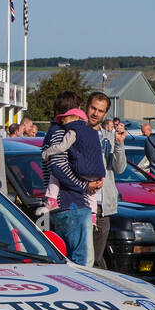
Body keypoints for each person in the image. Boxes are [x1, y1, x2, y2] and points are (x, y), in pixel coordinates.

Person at [41, 92, 105, 266]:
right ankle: (82, 293)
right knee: (83, 260)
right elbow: (59, 166)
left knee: (70, 258)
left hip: (69, 206)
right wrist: (85, 185)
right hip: (70, 204)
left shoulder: (60, 131)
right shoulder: (60, 132)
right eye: (78, 108)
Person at [87, 92, 127, 269]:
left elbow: (119, 168)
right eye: (93, 108)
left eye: (100, 111)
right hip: (82, 204)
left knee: (96, 257)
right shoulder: (77, 133)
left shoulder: (108, 137)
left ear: (105, 114)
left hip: (103, 207)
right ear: (86, 107)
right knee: (83, 257)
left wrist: (118, 144)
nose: (95, 113)